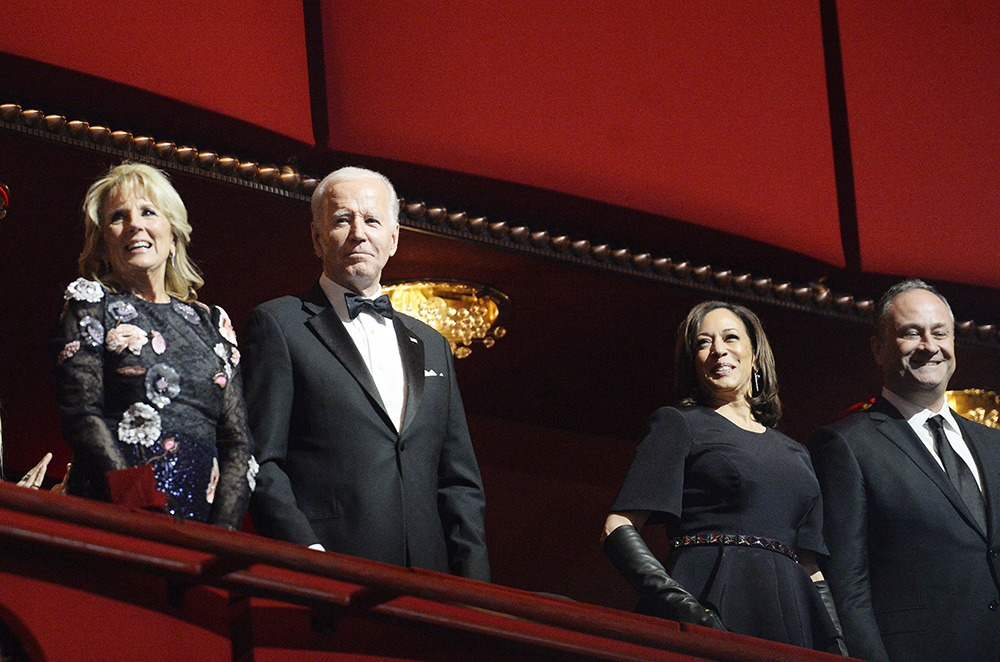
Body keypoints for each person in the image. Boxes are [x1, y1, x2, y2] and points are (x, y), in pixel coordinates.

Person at [242, 166, 489, 580]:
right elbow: (260, 460)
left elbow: (460, 482)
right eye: (342, 219)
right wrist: (310, 556)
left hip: (434, 587)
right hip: (333, 578)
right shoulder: (278, 325)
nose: (359, 232)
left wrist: (478, 592)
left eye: (372, 220)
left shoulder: (433, 344)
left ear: (393, 239)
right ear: (317, 239)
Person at [602, 301, 844, 653]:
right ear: (694, 363)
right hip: (709, 602)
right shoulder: (679, 424)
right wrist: (685, 609)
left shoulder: (796, 453)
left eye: (731, 337)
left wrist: (836, 643)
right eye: (703, 342)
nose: (718, 349)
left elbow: (810, 566)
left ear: (756, 355)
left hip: (789, 616)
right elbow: (617, 526)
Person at [51, 162, 252, 529]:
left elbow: (237, 442)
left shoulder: (212, 323)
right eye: (118, 217)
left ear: (173, 235)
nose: (134, 225)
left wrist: (222, 533)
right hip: (116, 517)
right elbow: (82, 415)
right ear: (103, 243)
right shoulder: (91, 303)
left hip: (203, 527)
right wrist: (138, 503)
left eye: (147, 212)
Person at [811, 279, 1000, 662]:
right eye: (911, 333)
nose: (929, 346)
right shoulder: (847, 444)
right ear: (879, 349)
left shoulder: (994, 444)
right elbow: (848, 584)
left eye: (940, 333)